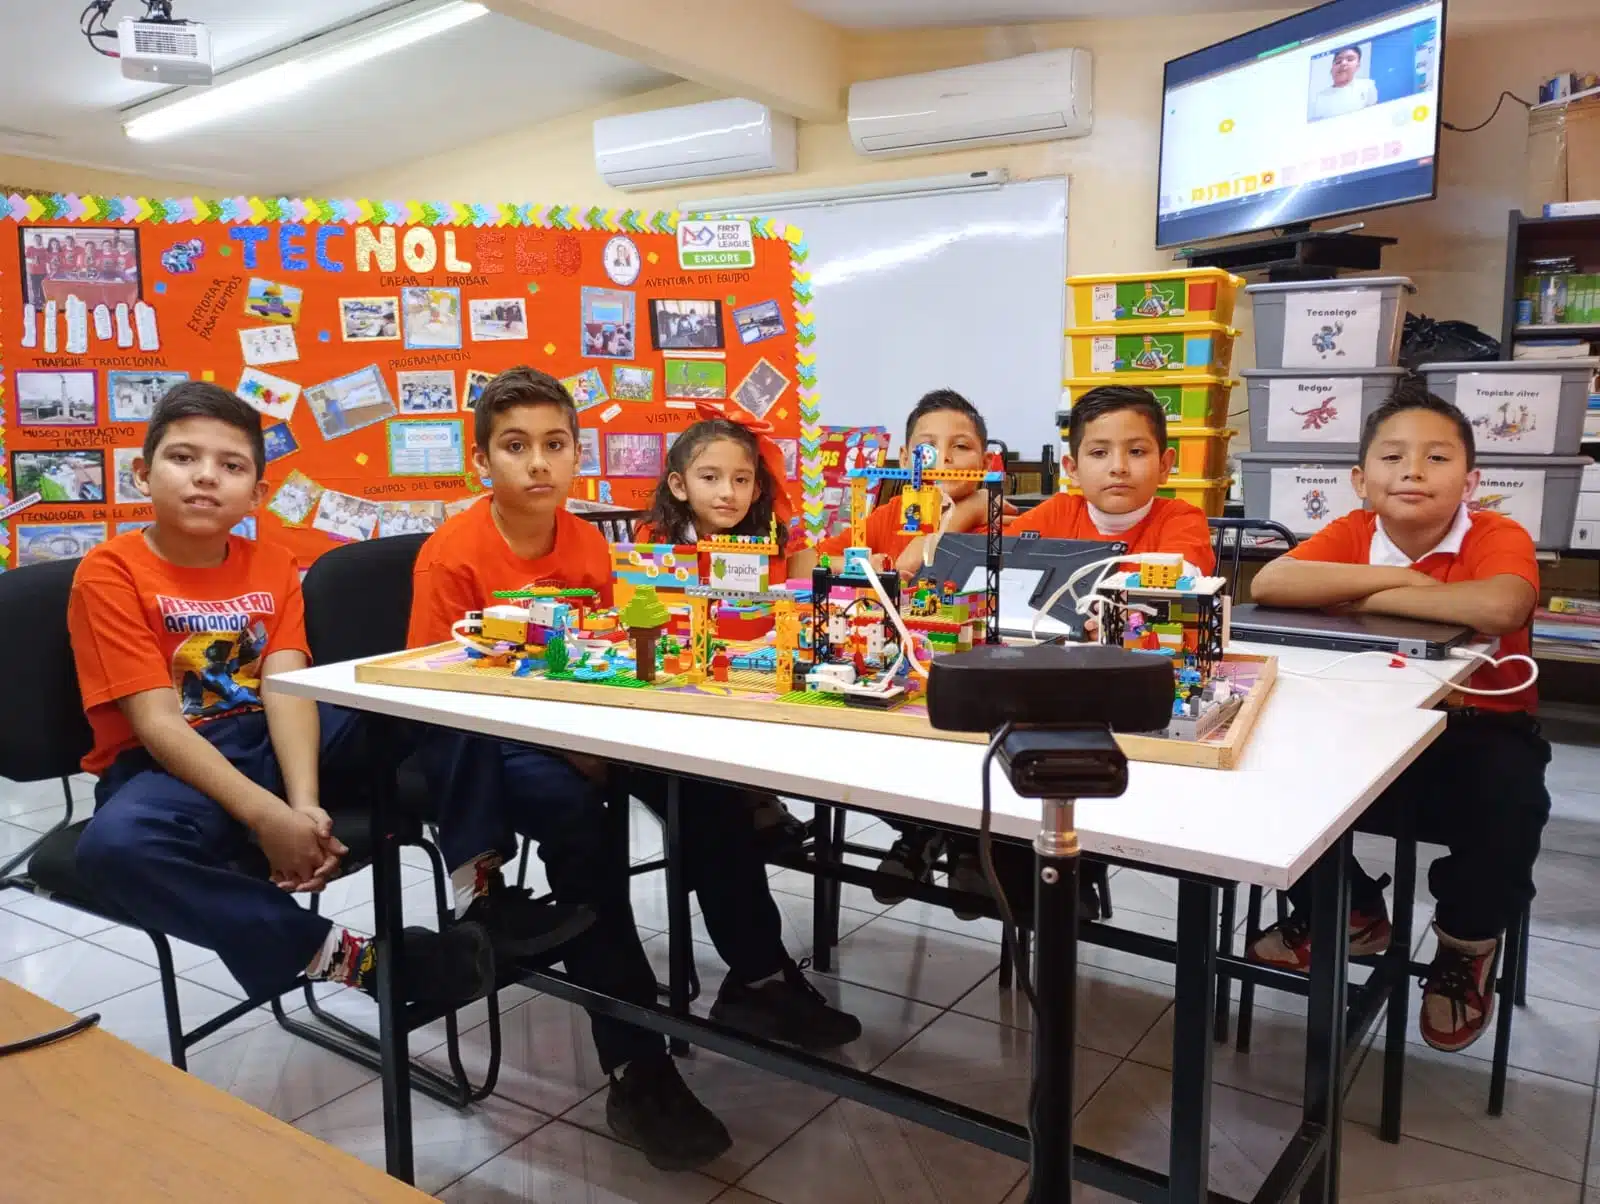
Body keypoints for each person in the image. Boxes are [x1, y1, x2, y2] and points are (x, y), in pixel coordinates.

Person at [406, 367, 857, 1171]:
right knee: (584, 833)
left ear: (577, 455)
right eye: (516, 447)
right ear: (484, 464)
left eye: (554, 445)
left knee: (707, 792)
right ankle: (635, 1063)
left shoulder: (587, 543)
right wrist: (575, 748)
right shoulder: (452, 557)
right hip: (490, 741)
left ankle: (756, 975)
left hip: (583, 724)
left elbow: (608, 650)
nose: (538, 463)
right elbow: (437, 690)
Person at [67, 382, 495, 1010]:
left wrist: (302, 806)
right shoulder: (109, 571)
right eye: (183, 458)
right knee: (113, 849)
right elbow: (158, 722)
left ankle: (480, 893)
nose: (206, 477)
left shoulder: (269, 562)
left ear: (257, 494)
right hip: (172, 761)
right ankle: (356, 959)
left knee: (439, 695)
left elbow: (286, 687)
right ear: (142, 473)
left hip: (273, 733)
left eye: (231, 465)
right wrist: (268, 820)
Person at [1247, 384, 1548, 1054]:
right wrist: (1415, 584)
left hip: (1472, 733)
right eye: (1392, 456)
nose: (1412, 470)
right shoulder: (1353, 531)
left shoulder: (1498, 533)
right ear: (1361, 479)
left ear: (1469, 482)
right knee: (1272, 764)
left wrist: (1360, 591)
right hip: (1359, 728)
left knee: (1510, 796)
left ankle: (1465, 946)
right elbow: (1271, 584)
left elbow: (1501, 606)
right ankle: (1347, 911)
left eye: (1436, 458)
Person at [1009, 385, 1217, 919]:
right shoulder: (1057, 511)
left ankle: (1078, 866)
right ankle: (1022, 865)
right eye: (1099, 453)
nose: (1118, 467)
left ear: (1166, 463)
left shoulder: (1181, 518)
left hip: (1139, 689)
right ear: (1073, 468)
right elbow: (1003, 562)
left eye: (1137, 451)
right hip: (1057, 686)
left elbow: (1178, 574)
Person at [792, 389, 1000, 916]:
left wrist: (958, 519)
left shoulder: (1001, 520)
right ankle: (922, 832)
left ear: (986, 460)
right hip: (885, 674)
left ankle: (960, 840)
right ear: (906, 461)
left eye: (961, 447)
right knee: (851, 743)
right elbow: (804, 570)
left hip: (963, 685)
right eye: (927, 448)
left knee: (963, 742)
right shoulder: (884, 516)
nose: (944, 459)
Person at [635, 405, 806, 848]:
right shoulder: (654, 543)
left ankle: (757, 798)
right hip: (676, 690)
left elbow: (781, 607)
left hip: (750, 680)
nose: (728, 492)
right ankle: (745, 809)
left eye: (742, 479)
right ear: (679, 485)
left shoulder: (768, 541)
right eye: (709, 477)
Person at [1310, 44, 1378, 121]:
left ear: (1358, 65)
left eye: (1350, 59)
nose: (1343, 64)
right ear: (1332, 68)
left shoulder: (1367, 86)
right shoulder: (1320, 97)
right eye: (1338, 61)